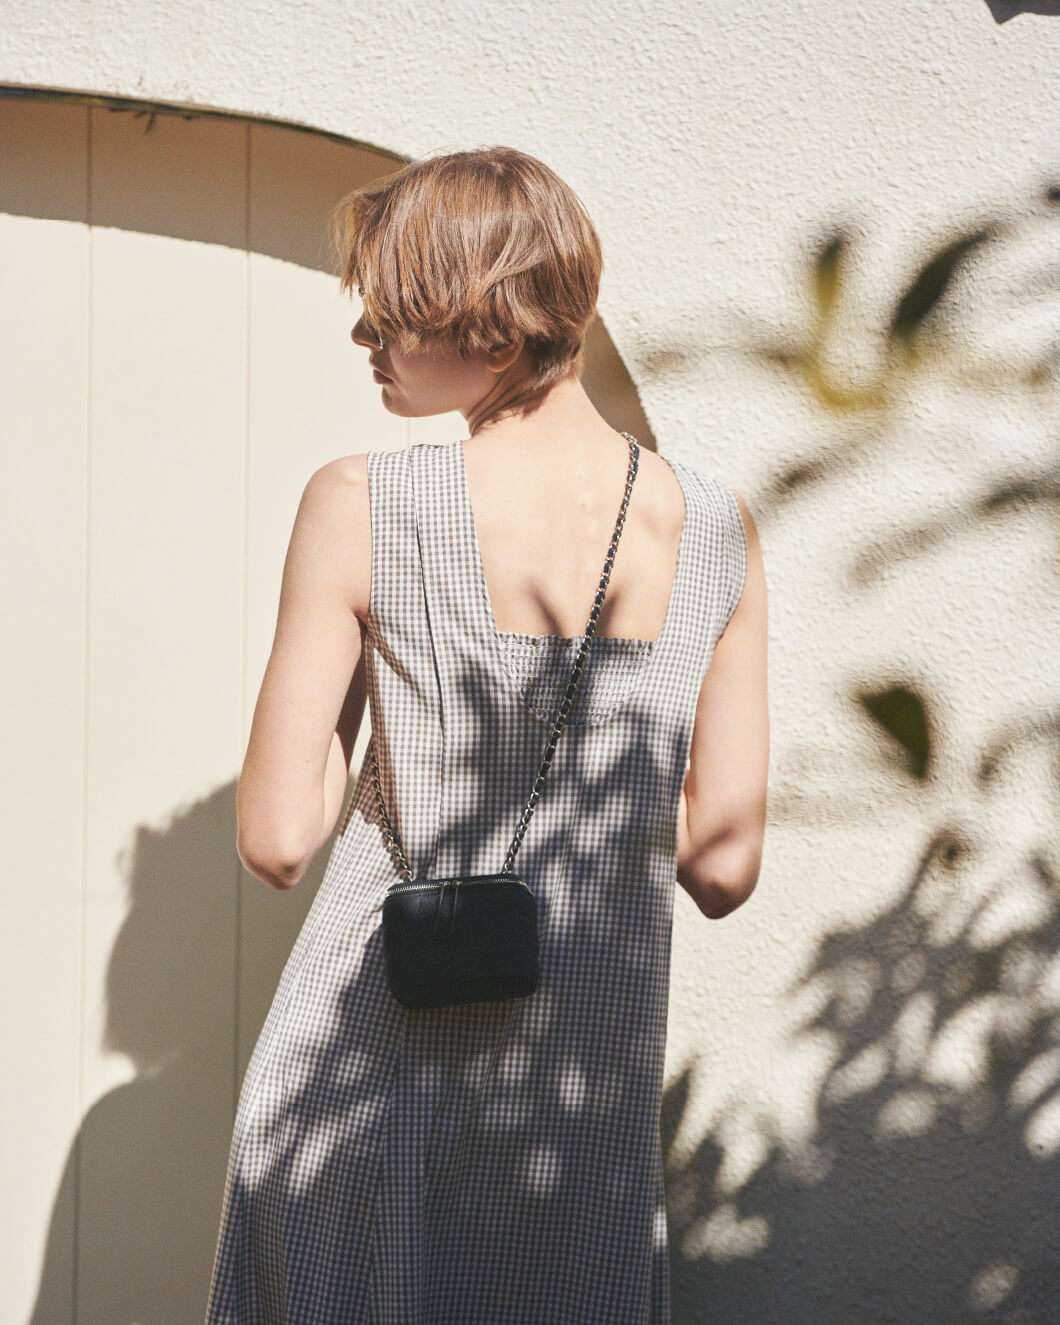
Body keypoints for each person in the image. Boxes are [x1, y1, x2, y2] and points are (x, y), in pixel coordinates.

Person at [204, 145, 768, 1325]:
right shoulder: (716, 526)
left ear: (494, 327)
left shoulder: (361, 503)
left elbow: (278, 837)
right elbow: (722, 866)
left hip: (357, 1083)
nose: (364, 335)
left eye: (393, 311)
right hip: (580, 1116)